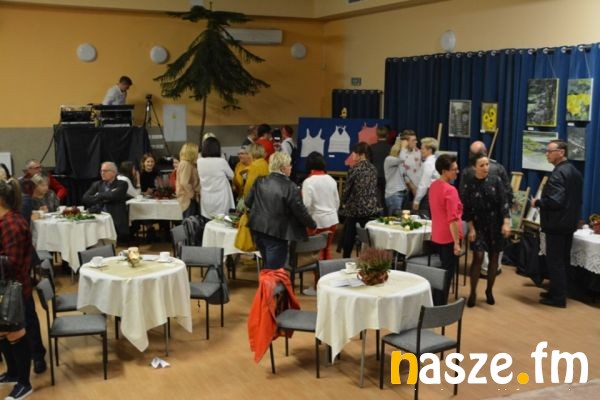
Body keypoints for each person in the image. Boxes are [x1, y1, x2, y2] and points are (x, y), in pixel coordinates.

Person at [531, 140, 583, 308]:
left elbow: (555, 201)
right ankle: (557, 291)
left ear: (561, 152)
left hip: (556, 225)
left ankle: (558, 298)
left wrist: (538, 202)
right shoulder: (575, 172)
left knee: (555, 261)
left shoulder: (558, 173)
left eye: (549, 151)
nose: (546, 154)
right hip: (569, 223)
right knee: (563, 260)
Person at [245, 152, 316, 269]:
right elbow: (300, 211)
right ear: (283, 168)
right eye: (289, 165)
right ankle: (269, 281)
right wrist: (312, 224)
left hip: (257, 228)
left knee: (267, 265)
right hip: (276, 232)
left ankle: (266, 280)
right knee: (274, 270)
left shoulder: (259, 181)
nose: (291, 167)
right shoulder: (290, 186)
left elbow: (248, 202)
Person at [461, 154, 511, 307]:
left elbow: (504, 202)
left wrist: (506, 222)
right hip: (477, 225)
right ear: (474, 167)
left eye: (487, 164)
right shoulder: (469, 184)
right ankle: (473, 292)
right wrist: (471, 229)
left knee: (494, 258)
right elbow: (467, 209)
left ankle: (489, 290)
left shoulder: (496, 180)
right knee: (478, 256)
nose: (485, 168)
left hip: (495, 224)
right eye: (481, 165)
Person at [0, 179, 34, 399]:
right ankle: (12, 373)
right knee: (3, 332)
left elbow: (12, 262)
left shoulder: (11, 224)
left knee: (15, 334)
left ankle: (24, 383)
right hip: (5, 287)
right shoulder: (5, 221)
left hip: (13, 289)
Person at [428, 154, 463, 305]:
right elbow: (452, 219)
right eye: (454, 169)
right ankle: (440, 306)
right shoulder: (450, 190)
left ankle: (435, 302)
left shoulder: (433, 186)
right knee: (447, 274)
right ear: (444, 171)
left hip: (436, 235)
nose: (457, 172)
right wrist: (457, 243)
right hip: (449, 237)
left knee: (439, 273)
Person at [339, 142, 382, 258]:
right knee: (367, 238)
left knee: (349, 235)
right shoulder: (373, 169)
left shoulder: (355, 169)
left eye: (354, 153)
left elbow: (347, 190)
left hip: (355, 209)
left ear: (361, 154)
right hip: (371, 209)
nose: (352, 155)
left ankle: (345, 258)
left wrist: (343, 203)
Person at [302, 152, 340, 260]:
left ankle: (319, 270)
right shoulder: (331, 180)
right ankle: (327, 269)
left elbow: (306, 205)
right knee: (326, 249)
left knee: (317, 252)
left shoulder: (308, 182)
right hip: (332, 220)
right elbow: (337, 202)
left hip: (317, 222)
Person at [82, 162, 129, 242]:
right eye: (101, 171)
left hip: (114, 220)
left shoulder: (122, 184)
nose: (102, 173)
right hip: (98, 217)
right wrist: (104, 196)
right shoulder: (97, 184)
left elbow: (113, 196)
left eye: (105, 171)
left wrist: (98, 195)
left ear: (114, 173)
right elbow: (85, 198)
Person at [197, 137, 234, 220]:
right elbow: (232, 175)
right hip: (221, 198)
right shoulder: (221, 161)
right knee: (222, 222)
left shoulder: (199, 161)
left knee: (208, 221)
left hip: (206, 197)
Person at [412, 137, 439, 217]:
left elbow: (424, 184)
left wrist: (416, 201)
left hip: (428, 196)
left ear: (429, 150)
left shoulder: (428, 163)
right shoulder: (434, 161)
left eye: (422, 148)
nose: (421, 150)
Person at [370, 125, 392, 212]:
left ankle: (378, 214)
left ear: (377, 135)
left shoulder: (371, 147)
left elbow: (369, 162)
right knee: (386, 198)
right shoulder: (390, 148)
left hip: (374, 176)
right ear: (387, 135)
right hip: (387, 177)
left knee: (376, 198)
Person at [384, 140, 409, 215]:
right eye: (403, 151)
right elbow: (402, 158)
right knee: (395, 220)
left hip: (404, 193)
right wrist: (403, 147)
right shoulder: (389, 159)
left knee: (403, 219)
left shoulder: (400, 162)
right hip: (394, 195)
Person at [176, 143, 200, 218]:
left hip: (189, 197)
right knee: (191, 222)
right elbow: (184, 182)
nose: (198, 154)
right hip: (188, 199)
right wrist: (192, 194)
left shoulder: (188, 164)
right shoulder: (186, 164)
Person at [399, 130, 422, 202]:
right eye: (413, 140)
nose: (416, 142)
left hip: (418, 188)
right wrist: (412, 187)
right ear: (406, 142)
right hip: (406, 189)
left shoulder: (418, 151)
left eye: (416, 140)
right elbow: (401, 172)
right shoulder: (400, 153)